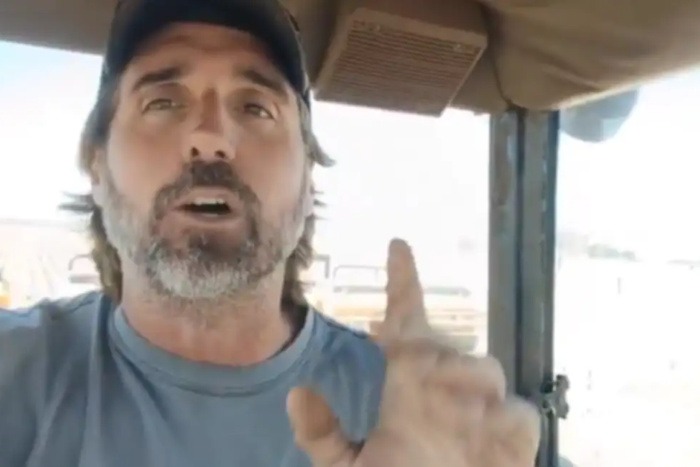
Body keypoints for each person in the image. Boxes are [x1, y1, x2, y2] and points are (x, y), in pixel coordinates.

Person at [0, 0, 540, 466]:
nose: (210, 137)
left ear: (307, 182)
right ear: (96, 167)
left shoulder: (404, 407)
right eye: (162, 102)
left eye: (255, 107)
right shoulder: (14, 374)